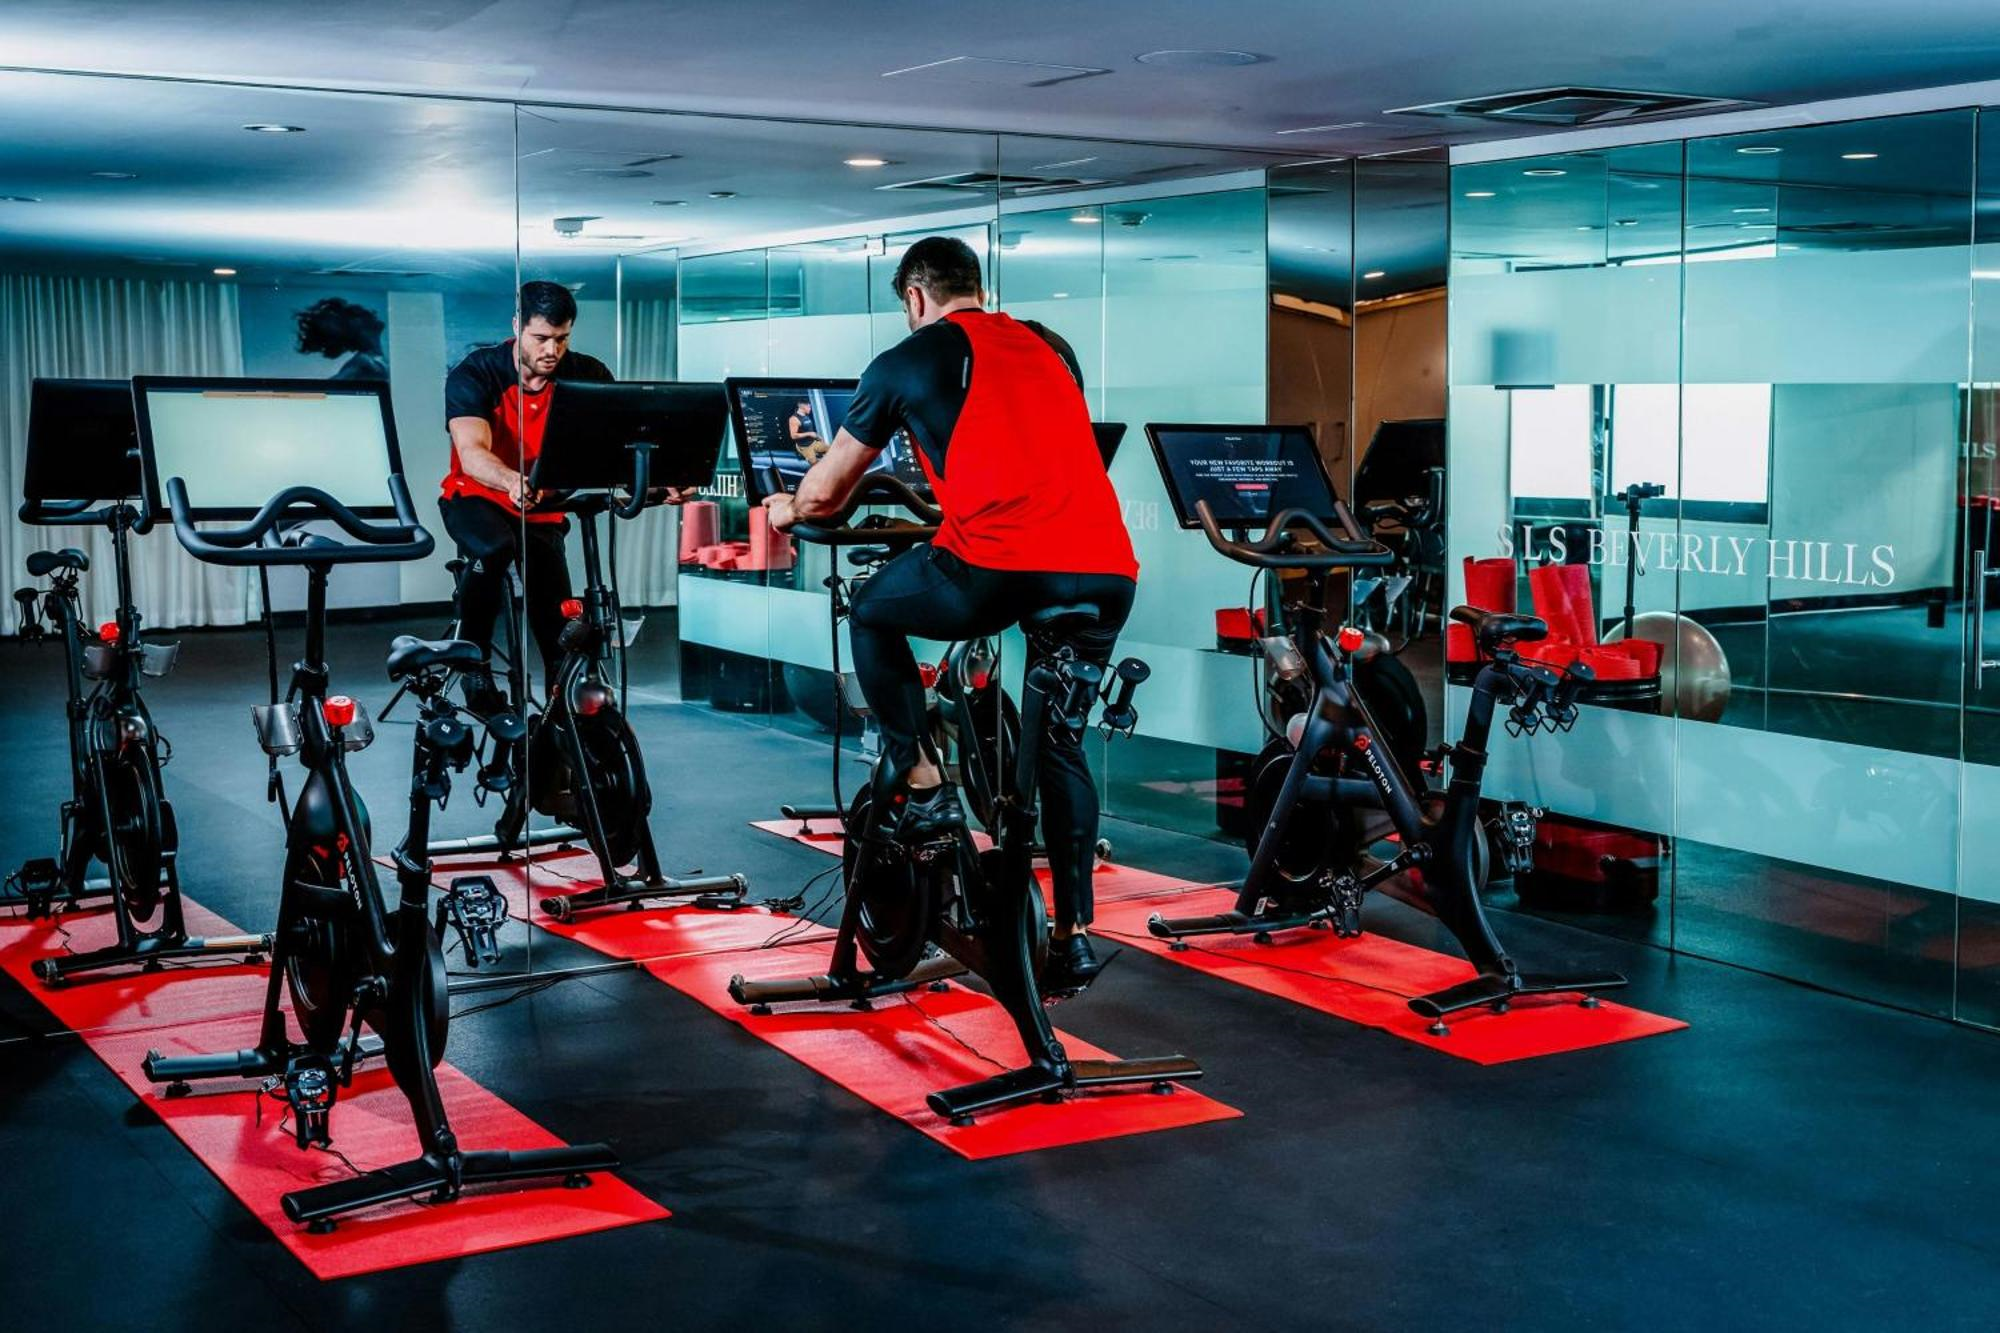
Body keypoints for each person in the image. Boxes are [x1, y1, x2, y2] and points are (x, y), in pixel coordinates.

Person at [761, 236, 1136, 992]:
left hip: (998, 563)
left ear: (914, 299)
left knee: (871, 610)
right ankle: (1075, 936)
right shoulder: (1048, 345)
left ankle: (923, 777)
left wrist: (785, 507)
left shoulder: (908, 358)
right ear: (975, 285)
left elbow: (827, 493)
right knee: (1060, 746)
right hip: (1106, 567)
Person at [439, 280, 612, 711]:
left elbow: (617, 440)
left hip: (543, 509)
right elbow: (472, 452)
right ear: (518, 326)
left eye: (562, 338)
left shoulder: (586, 374)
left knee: (558, 617)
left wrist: (660, 480)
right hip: (478, 495)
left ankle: (564, 705)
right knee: (495, 551)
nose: (551, 350)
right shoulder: (478, 372)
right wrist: (512, 480)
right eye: (540, 338)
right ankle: (472, 665)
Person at [295, 297, 389, 381]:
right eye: (356, 314)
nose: (369, 313)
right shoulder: (361, 363)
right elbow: (328, 387)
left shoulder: (382, 355)